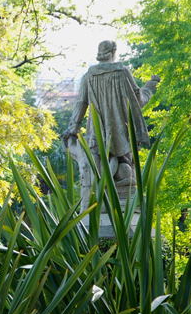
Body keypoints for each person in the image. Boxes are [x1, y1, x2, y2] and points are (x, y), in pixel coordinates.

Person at [62, 40, 160, 211]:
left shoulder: (89, 76)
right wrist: (149, 88)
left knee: (99, 173)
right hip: (121, 134)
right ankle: (121, 207)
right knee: (125, 171)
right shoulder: (122, 73)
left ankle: (100, 203)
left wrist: (73, 128)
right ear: (114, 51)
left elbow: (80, 103)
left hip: (96, 136)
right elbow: (137, 100)